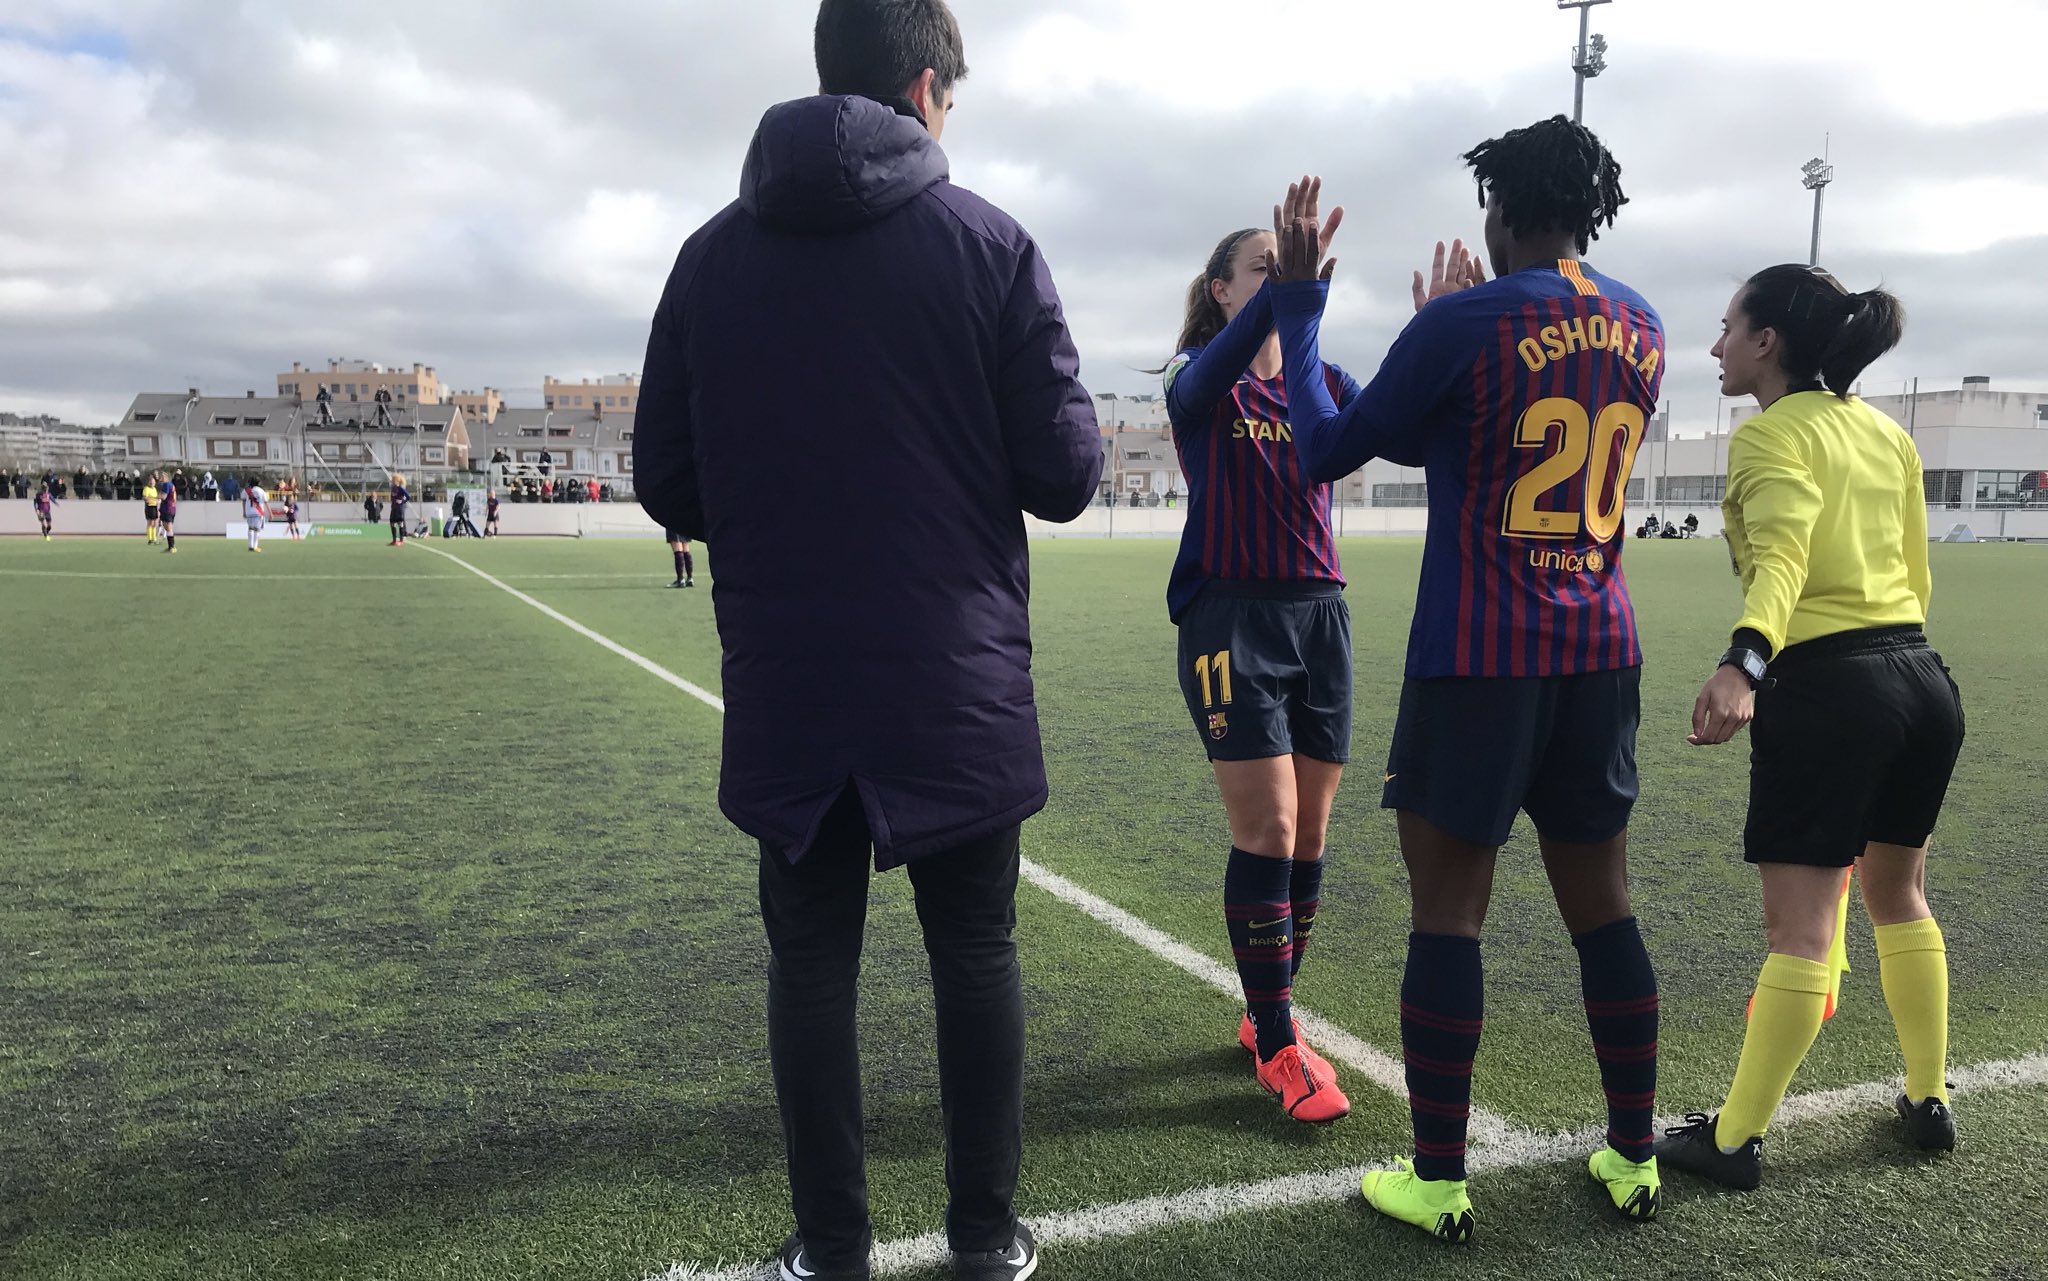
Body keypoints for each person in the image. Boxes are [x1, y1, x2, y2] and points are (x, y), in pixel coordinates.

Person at [634, 3, 1101, 1277]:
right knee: (974, 947)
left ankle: (832, 1249)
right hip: (952, 672)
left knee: (810, 961)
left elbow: (666, 479)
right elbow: (1065, 475)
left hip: (789, 671)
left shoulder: (707, 259)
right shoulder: (992, 246)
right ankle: (984, 1239)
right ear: (922, 84)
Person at [1267, 115, 1669, 1236]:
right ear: (1587, 211)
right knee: (1605, 911)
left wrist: (1300, 308)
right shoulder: (1641, 322)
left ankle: (1438, 1180)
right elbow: (1456, 432)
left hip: (1480, 660)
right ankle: (1633, 1158)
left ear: (1496, 212)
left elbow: (1323, 449)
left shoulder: (1471, 317)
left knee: (1446, 918)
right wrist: (1432, 340)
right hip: (1601, 655)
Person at [1655, 268, 1964, 1188]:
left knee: (1800, 929)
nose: (1714, 347)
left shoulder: (1769, 436)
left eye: (1726, 328)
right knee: (1898, 894)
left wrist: (1744, 662)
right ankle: (1926, 1095)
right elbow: (1916, 568)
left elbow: (1781, 556)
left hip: (1830, 688)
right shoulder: (1884, 433)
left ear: (1768, 343)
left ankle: (1734, 1139)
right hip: (1922, 681)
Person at [1157, 193, 1357, 1127]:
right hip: (1232, 620)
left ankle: (1264, 1011)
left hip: (1322, 617)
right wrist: (1291, 302)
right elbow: (1219, 370)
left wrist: (1443, 320)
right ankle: (1279, 1037)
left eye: (1294, 265)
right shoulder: (1203, 378)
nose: (1284, 277)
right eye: (1264, 269)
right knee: (1269, 830)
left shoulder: (1321, 380)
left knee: (1310, 836)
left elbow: (1386, 419)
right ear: (1221, 288)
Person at [243, 479, 268, 551]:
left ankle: (250, 546)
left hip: (249, 512)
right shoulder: (261, 491)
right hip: (258, 512)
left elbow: (243, 501)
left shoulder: (246, 490)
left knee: (250, 528)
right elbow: (266, 502)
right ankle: (255, 546)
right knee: (257, 530)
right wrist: (270, 512)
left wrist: (244, 512)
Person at [159, 472, 179, 553]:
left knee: (169, 527)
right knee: (166, 527)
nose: (161, 477)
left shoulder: (166, 484)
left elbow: (164, 496)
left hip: (168, 508)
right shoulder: (171, 485)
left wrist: (155, 496)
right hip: (171, 508)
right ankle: (170, 546)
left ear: (166, 477)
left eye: (162, 476)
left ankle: (172, 546)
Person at [388, 474, 409, 546]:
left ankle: (401, 540)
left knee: (400, 523)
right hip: (393, 508)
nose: (392, 481)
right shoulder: (393, 488)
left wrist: (402, 501)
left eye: (393, 479)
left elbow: (408, 496)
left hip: (399, 508)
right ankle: (394, 540)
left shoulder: (401, 488)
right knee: (392, 523)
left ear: (396, 480)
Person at [142, 473, 161, 544]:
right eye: (151, 482)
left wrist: (157, 501)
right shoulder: (146, 489)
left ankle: (154, 538)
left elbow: (156, 498)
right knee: (150, 522)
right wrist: (153, 499)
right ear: (148, 482)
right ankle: (150, 539)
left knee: (154, 523)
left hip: (154, 506)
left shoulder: (155, 489)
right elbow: (145, 498)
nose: (152, 483)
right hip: (149, 506)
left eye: (153, 482)